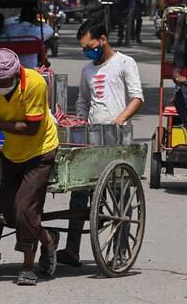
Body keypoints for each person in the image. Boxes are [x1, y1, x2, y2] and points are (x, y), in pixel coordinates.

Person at [57, 21, 144, 267]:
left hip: (117, 137)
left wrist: (119, 120)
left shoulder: (125, 63)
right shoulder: (87, 70)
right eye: (84, 48)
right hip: (91, 137)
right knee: (79, 194)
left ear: (103, 40)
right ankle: (72, 250)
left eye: (91, 46)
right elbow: (84, 100)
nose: (88, 51)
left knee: (119, 198)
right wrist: (80, 123)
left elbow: (137, 97)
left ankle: (121, 251)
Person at [0, 48, 60, 286]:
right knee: (10, 214)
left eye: (3, 80)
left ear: (15, 75)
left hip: (40, 150)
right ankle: (48, 239)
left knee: (25, 208)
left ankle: (28, 267)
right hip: (11, 152)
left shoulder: (35, 84)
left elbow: (31, 129)